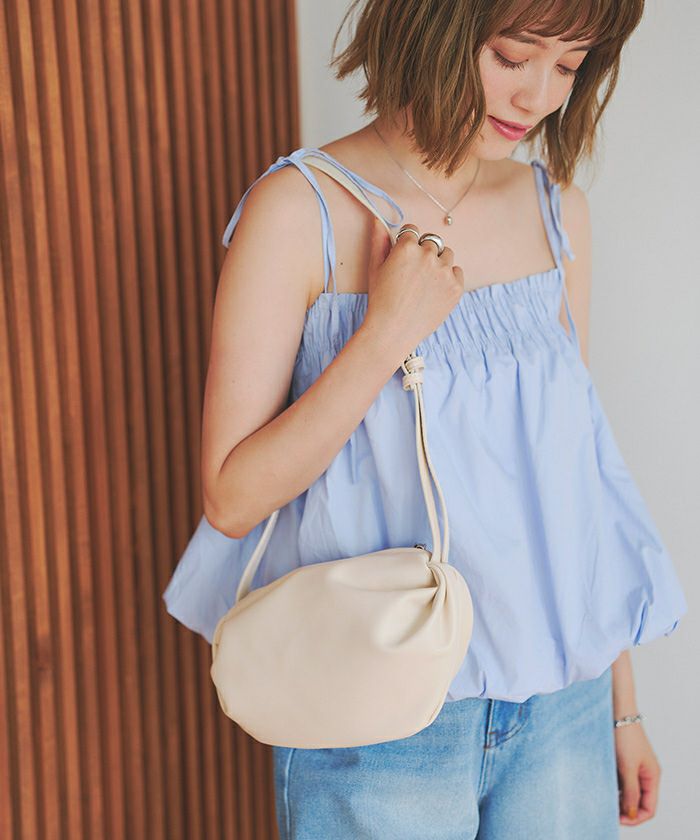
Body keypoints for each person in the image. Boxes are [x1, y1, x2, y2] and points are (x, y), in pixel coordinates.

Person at [162, 1, 688, 837]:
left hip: (563, 707)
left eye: (568, 65)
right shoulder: (300, 212)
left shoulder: (555, 211)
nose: (538, 96)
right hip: (378, 714)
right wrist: (385, 335)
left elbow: (575, 485)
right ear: (435, 24)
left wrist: (621, 708)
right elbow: (231, 498)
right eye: (513, 55)